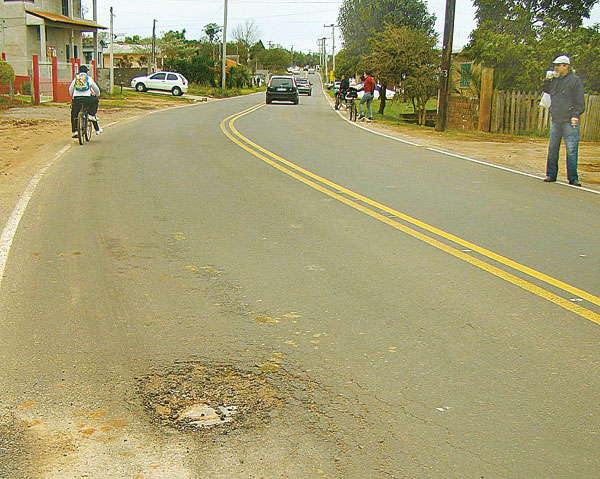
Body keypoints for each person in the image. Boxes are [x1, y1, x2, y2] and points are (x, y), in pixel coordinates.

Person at [542, 55, 585, 186]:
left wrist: (575, 115)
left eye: (558, 65)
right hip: (556, 118)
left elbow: (580, 101)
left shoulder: (574, 81)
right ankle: (551, 174)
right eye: (555, 65)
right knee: (553, 148)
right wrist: (547, 80)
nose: (555, 67)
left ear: (566, 66)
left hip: (569, 119)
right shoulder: (554, 80)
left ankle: (572, 177)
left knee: (571, 149)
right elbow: (546, 91)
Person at [69, 65, 102, 138]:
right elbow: (96, 88)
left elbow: (70, 89)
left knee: (74, 114)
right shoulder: (89, 78)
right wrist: (98, 94)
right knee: (95, 101)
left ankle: (75, 131)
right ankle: (91, 114)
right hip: (87, 99)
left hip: (77, 99)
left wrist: (73, 96)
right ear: (86, 72)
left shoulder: (76, 79)